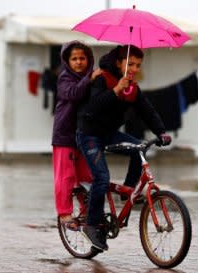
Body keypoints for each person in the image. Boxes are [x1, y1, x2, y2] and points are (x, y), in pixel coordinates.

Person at [76, 45, 172, 251]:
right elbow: (92, 108)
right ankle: (91, 225)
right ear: (119, 63)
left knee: (140, 147)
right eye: (130, 64)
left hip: (110, 134)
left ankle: (128, 190)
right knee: (101, 178)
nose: (134, 68)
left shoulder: (132, 88)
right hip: (89, 134)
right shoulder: (103, 78)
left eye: (138, 65)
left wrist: (161, 132)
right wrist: (116, 90)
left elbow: (148, 111)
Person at [52, 41, 102, 230]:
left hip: (85, 134)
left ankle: (87, 210)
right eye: (74, 59)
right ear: (67, 61)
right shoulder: (65, 78)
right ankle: (64, 213)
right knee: (65, 176)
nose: (79, 62)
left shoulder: (92, 78)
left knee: (86, 175)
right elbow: (74, 94)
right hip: (64, 135)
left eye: (82, 58)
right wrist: (89, 78)